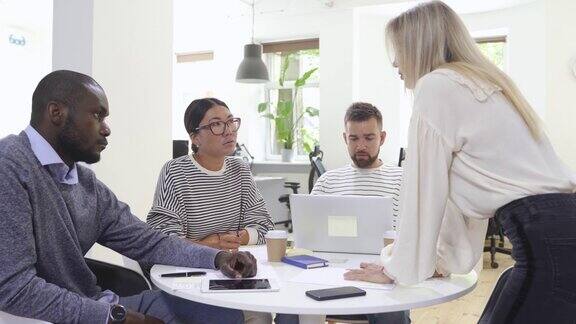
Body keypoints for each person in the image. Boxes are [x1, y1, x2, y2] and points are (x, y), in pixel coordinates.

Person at [343, 2, 576, 323]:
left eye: (398, 50)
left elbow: (423, 191)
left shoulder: (437, 86)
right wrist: (438, 260)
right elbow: (454, 193)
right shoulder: (480, 84)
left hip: (546, 243)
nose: (396, 62)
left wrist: (399, 268)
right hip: (559, 232)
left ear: (419, 45)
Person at [0, 70, 258, 324]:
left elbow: (148, 241)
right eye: (97, 115)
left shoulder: (84, 183)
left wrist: (217, 258)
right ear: (57, 113)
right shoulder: (10, 167)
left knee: (223, 314)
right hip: (58, 316)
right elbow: (13, 288)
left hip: (97, 304)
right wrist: (112, 317)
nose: (106, 129)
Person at [146, 97, 274, 324]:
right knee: (252, 315)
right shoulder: (176, 172)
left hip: (237, 274)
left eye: (231, 122)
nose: (229, 131)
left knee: (265, 312)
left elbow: (265, 227)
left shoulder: (240, 170)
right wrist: (211, 245)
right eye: (216, 124)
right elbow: (163, 239)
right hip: (190, 277)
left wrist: (240, 236)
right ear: (195, 137)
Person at [313, 102, 408, 323]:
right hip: (330, 271)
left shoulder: (403, 179)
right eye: (354, 138)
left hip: (385, 272)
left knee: (392, 314)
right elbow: (309, 236)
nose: (361, 146)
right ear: (345, 138)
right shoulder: (327, 181)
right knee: (289, 314)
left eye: (369, 138)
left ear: (382, 138)